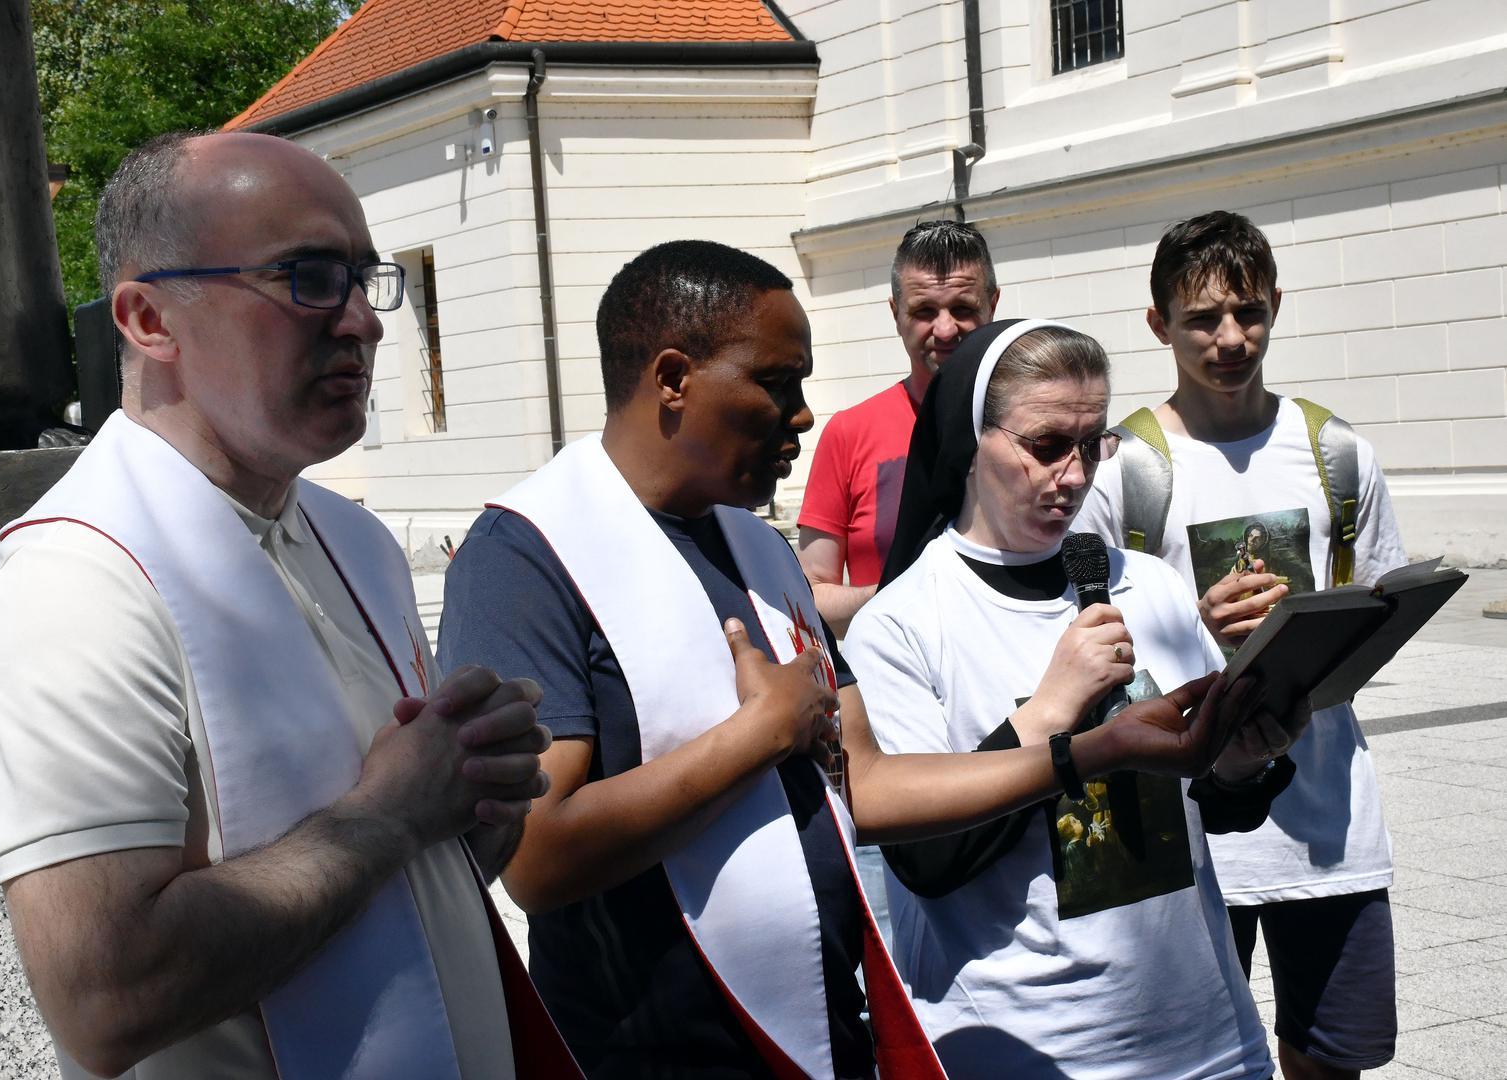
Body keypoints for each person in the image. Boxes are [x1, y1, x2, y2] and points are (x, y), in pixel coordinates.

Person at [438, 241, 1271, 1079]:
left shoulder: (753, 547)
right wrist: (760, 734)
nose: (803, 415)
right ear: (671, 378)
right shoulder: (525, 554)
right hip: (648, 1045)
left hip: (816, 1025)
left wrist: (1096, 749)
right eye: (774, 382)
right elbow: (535, 859)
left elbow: (864, 781)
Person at [0, 131, 578, 1080]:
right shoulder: (69, 587)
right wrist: (390, 815)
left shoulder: (354, 541)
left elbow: (386, 903)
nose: (362, 320)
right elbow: (107, 999)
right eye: (309, 277)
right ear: (149, 318)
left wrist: (472, 801)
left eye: (365, 278)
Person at [845, 319, 1308, 1078]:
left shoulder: (1147, 584)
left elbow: (1211, 812)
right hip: (1023, 1047)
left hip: (1205, 1037)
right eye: (1045, 444)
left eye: (1091, 444)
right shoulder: (899, 624)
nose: (1072, 474)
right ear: (971, 438)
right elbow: (924, 861)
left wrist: (1242, 760)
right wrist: (1048, 710)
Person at [1073, 211, 1405, 1079]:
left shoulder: (1335, 452)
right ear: (1158, 325)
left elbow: (1377, 623)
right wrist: (1193, 624)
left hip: (1327, 828)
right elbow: (1090, 647)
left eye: (1248, 312)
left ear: (1275, 307)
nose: (1230, 338)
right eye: (1202, 319)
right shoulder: (1126, 470)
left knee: (1333, 1060)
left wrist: (1312, 625)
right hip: (1187, 837)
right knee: (1185, 1063)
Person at [796, 220, 1000, 636]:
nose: (945, 330)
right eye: (924, 311)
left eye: (962, 308)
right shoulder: (850, 432)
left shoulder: (1032, 426)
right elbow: (810, 595)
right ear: (895, 313)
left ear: (992, 305)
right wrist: (899, 595)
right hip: (891, 679)